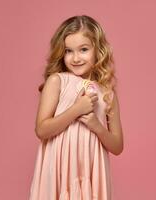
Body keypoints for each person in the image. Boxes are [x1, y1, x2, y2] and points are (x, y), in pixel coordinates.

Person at [29, 15, 123, 200]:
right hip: (59, 170)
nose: (76, 58)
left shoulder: (107, 94)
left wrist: (97, 126)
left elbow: (117, 146)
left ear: (98, 49)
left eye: (84, 49)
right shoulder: (57, 82)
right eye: (68, 51)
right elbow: (41, 130)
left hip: (90, 172)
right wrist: (76, 110)